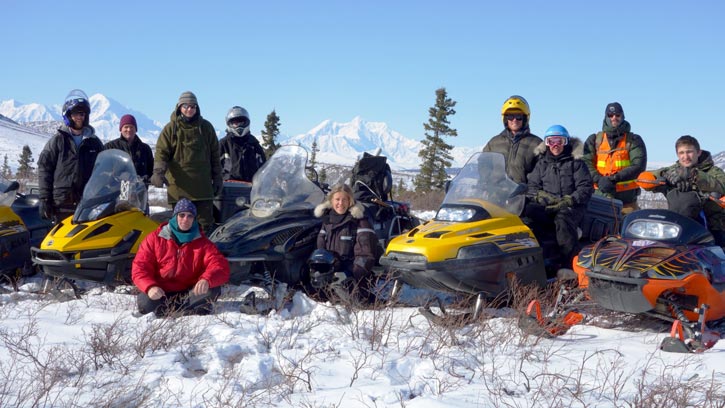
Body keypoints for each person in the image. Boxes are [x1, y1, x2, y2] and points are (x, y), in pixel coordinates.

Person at [131, 198, 230, 317]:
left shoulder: (203, 243)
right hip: (160, 291)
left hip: (188, 293)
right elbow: (140, 268)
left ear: (194, 219)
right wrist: (150, 287)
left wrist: (206, 279)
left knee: (212, 290)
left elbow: (220, 266)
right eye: (181, 215)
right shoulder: (154, 239)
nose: (185, 219)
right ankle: (179, 310)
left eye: (190, 216)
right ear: (175, 216)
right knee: (145, 304)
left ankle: (182, 312)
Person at [151, 91, 222, 233]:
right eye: (186, 106)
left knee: (204, 226)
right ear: (179, 108)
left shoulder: (206, 128)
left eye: (193, 106)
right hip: (179, 188)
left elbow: (215, 155)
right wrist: (158, 173)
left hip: (203, 188)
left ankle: (203, 255)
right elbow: (161, 152)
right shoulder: (170, 129)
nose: (190, 109)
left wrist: (218, 177)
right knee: (181, 225)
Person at [525, 125, 593, 270]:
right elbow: (532, 186)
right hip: (548, 205)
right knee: (528, 216)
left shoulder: (576, 163)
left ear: (566, 142)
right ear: (546, 144)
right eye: (551, 141)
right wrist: (540, 196)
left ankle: (568, 265)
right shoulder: (542, 163)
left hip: (572, 207)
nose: (555, 145)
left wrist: (570, 200)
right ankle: (537, 262)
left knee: (562, 220)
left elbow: (585, 187)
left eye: (559, 141)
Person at [37, 89, 104, 222]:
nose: (79, 117)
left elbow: (104, 170)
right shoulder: (57, 141)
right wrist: (44, 198)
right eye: (75, 113)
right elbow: (44, 168)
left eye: (82, 114)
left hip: (87, 203)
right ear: (68, 115)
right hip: (61, 203)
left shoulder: (94, 143)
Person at [652, 135, 725, 247]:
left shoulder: (713, 171)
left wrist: (695, 176)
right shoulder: (673, 170)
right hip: (676, 226)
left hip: (713, 227)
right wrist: (664, 176)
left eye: (689, 152)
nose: (685, 156)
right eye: (681, 153)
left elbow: (722, 184)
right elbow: (648, 177)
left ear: (698, 152)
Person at [314, 183, 379, 301]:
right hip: (331, 275)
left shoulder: (360, 222)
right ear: (331, 201)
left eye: (345, 199)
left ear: (350, 201)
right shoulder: (327, 220)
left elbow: (366, 256)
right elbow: (321, 247)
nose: (340, 203)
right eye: (337, 199)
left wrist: (349, 274)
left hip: (352, 279)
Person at [582, 102, 647, 214]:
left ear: (623, 116)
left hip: (627, 203)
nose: (614, 118)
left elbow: (638, 166)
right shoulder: (594, 140)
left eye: (617, 115)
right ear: (606, 117)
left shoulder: (634, 140)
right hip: (599, 199)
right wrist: (599, 179)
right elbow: (586, 164)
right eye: (610, 115)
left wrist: (614, 178)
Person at [483, 95, 543, 184]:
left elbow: (541, 171)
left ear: (525, 118)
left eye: (518, 116)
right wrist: (486, 184)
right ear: (505, 118)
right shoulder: (494, 143)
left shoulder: (536, 144)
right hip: (496, 194)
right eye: (510, 116)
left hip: (523, 195)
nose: (514, 120)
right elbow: (483, 165)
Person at [219, 106, 266, 182]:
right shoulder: (223, 144)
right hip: (228, 188)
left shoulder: (254, 144)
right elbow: (213, 166)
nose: (238, 126)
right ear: (229, 124)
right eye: (235, 123)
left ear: (246, 122)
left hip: (252, 188)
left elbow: (264, 166)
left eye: (241, 122)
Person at [104, 114, 154, 182]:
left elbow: (151, 170)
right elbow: (103, 170)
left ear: (135, 129)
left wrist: (146, 178)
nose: (129, 129)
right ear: (121, 129)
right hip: (115, 190)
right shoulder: (110, 147)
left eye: (131, 127)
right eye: (126, 127)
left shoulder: (145, 149)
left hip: (139, 190)